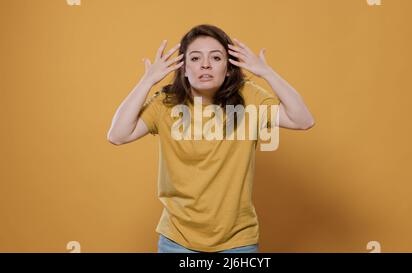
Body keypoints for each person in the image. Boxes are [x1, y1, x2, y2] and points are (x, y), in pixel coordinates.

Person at [107, 24, 315, 253]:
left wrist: (266, 73)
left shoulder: (249, 97)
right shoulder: (166, 103)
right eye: (195, 58)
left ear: (228, 68)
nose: (205, 64)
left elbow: (302, 120)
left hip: (237, 241)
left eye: (216, 58)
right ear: (184, 68)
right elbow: (118, 135)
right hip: (177, 240)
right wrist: (147, 82)